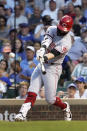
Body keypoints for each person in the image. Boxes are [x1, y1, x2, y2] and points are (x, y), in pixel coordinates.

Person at [15, 15, 73, 121]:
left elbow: (54, 54)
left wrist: (44, 56)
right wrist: (42, 50)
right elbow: (47, 40)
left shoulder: (67, 42)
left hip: (53, 68)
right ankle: (22, 114)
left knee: (50, 99)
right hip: (42, 65)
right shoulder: (52, 29)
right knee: (32, 91)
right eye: (60, 29)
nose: (61, 31)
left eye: (64, 30)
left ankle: (65, 106)